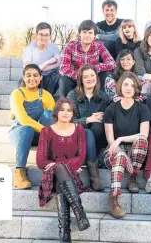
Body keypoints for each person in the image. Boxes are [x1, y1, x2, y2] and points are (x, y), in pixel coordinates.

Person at [36, 98, 91, 242]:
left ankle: (65, 233)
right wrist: (62, 166)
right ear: (56, 112)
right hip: (51, 175)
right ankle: (80, 213)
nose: (66, 113)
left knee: (61, 179)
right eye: (62, 109)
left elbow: (81, 157)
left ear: (73, 113)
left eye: (69, 110)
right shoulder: (46, 131)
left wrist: (61, 166)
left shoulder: (79, 129)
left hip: (69, 175)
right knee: (60, 169)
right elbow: (41, 161)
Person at [102, 72, 151, 218]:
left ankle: (133, 177)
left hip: (135, 152)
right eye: (125, 84)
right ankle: (114, 197)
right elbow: (111, 141)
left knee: (142, 141)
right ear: (120, 87)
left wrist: (121, 138)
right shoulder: (111, 109)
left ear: (137, 88)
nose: (128, 88)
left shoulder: (143, 109)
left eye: (132, 85)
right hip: (114, 151)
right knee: (119, 158)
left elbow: (144, 135)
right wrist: (121, 152)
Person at [9, 64, 54, 189]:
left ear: (40, 78)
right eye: (28, 75)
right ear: (23, 78)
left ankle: (50, 168)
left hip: (39, 134)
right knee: (27, 128)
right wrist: (46, 131)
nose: (32, 78)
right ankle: (19, 172)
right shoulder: (17, 93)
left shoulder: (46, 95)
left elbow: (52, 119)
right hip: (19, 132)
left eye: (35, 75)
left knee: (49, 113)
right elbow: (23, 119)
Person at [67, 64, 109, 192]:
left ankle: (91, 160)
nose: (89, 79)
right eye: (85, 77)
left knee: (96, 129)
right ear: (81, 79)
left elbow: (107, 118)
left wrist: (102, 116)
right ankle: (94, 175)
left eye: (92, 75)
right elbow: (68, 121)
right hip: (77, 134)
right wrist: (87, 119)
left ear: (96, 77)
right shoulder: (73, 95)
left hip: (97, 137)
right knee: (88, 132)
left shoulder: (103, 96)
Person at [59, 20, 116, 98]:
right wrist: (80, 77)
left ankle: (104, 101)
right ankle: (66, 104)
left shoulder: (99, 46)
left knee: (106, 74)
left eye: (90, 33)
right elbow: (63, 68)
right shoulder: (70, 46)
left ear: (94, 35)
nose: (87, 35)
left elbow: (112, 63)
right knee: (63, 79)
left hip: (92, 79)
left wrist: (96, 68)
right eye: (84, 32)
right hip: (75, 78)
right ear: (79, 34)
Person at [22, 22, 61, 97]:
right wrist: (48, 62)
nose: (43, 37)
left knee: (60, 74)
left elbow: (58, 63)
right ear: (36, 35)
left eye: (46, 35)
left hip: (50, 78)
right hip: (36, 77)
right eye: (41, 34)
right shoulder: (29, 49)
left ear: (50, 36)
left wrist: (41, 68)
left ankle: (50, 98)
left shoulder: (54, 48)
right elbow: (29, 69)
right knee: (25, 78)